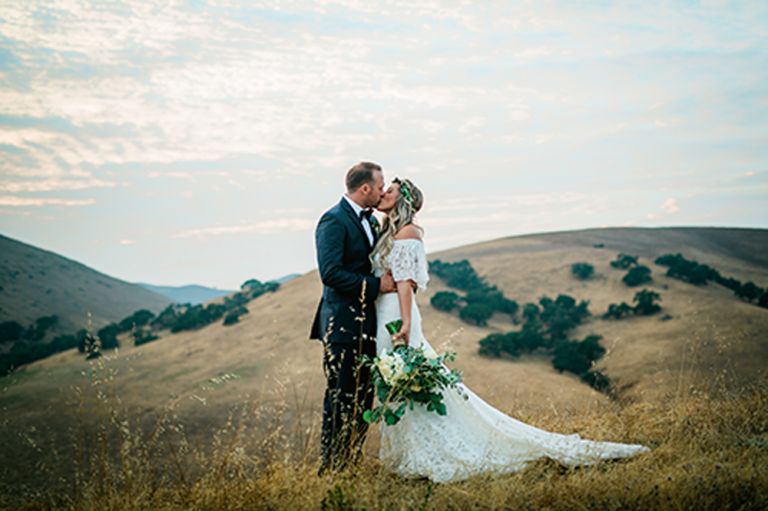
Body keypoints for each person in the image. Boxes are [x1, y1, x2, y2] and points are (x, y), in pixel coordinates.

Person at [370, 177, 652, 483]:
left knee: (410, 380)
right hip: (383, 311)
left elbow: (406, 283)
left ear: (403, 200)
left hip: (396, 314)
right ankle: (414, 450)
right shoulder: (389, 231)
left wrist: (406, 324)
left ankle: (432, 450)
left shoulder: (407, 232)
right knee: (399, 382)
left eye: (390, 191)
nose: (383, 193)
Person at [310, 161, 399, 475]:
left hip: (367, 326)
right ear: (365, 188)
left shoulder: (371, 221)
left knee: (363, 400)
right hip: (342, 325)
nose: (382, 191)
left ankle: (350, 463)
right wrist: (376, 286)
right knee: (341, 398)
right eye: (380, 186)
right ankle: (331, 468)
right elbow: (331, 273)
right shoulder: (333, 220)